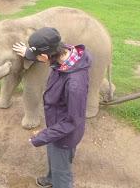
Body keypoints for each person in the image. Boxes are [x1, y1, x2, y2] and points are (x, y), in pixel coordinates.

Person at [12, 27, 92, 188]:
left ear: (45, 56)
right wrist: (28, 52)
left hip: (65, 135)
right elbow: (46, 52)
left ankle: (58, 182)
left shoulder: (74, 84)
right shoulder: (65, 53)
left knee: (62, 172)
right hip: (57, 126)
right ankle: (50, 178)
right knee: (53, 155)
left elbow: (72, 122)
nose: (36, 59)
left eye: (36, 57)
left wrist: (42, 136)